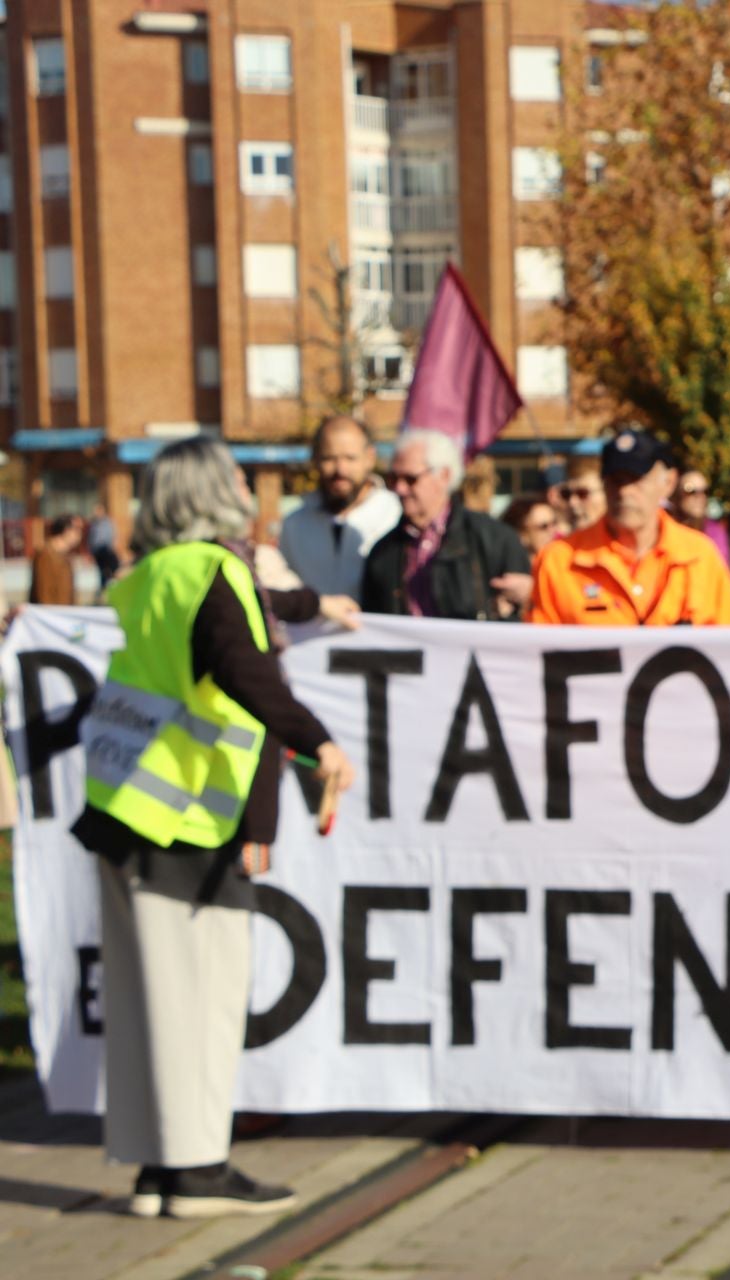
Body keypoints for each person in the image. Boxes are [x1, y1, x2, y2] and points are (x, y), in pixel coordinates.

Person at [70, 436, 356, 1219]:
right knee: (202, 996)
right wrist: (318, 740)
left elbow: (237, 628)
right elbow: (244, 664)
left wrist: (314, 606)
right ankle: (198, 1170)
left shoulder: (149, 576)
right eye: (232, 474)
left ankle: (157, 1168)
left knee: (144, 1002)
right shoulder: (216, 571)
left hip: (124, 810)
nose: (243, 484)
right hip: (188, 821)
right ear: (209, 491)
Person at [527, 429, 730, 626]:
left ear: (668, 483)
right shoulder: (558, 561)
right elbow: (535, 655)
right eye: (616, 481)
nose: (624, 492)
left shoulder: (699, 557)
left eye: (636, 480)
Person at [361, 430, 531, 620]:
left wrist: (531, 597)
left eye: (410, 479)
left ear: (444, 475)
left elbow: (519, 623)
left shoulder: (494, 540)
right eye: (393, 479)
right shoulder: (383, 553)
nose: (400, 489)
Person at [276, 416, 403, 601]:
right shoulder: (294, 525)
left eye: (350, 458)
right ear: (315, 459)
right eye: (329, 458)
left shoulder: (395, 515)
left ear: (370, 458)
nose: (340, 470)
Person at [672, 468, 730, 566]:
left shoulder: (715, 533)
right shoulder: (666, 529)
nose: (699, 497)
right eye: (690, 491)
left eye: (704, 491)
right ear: (677, 494)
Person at [30, 515, 85, 604]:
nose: (80, 534)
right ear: (66, 530)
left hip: (63, 614)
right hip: (51, 615)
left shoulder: (65, 557)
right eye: (77, 529)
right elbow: (44, 592)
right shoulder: (46, 555)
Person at [554, 455, 607, 535]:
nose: (572, 502)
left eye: (582, 493)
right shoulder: (558, 546)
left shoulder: (629, 545)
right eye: (566, 494)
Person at [88, 502, 121, 584]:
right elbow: (91, 538)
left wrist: (113, 547)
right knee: (101, 571)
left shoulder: (108, 522)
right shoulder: (94, 524)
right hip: (97, 551)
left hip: (106, 549)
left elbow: (114, 535)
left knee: (110, 569)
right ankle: (103, 586)